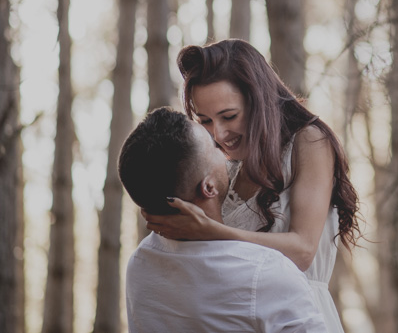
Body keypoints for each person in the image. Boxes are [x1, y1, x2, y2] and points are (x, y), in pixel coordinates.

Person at [143, 39, 360, 333]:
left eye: (229, 116)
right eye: (204, 121)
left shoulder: (309, 141)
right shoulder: (223, 166)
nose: (218, 134)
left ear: (260, 99)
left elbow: (302, 250)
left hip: (299, 318)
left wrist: (212, 231)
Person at [119, 107, 327, 333]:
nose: (222, 148)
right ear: (208, 187)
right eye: (213, 147)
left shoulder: (139, 265)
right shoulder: (264, 273)